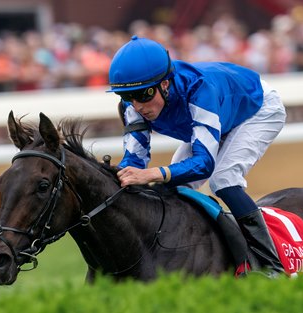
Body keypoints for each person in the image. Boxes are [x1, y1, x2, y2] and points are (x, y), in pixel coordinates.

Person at [108, 35, 287, 276]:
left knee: (223, 180)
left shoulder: (198, 89)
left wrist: (154, 174)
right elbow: (134, 162)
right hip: (222, 112)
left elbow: (204, 164)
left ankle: (271, 265)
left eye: (144, 95)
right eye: (128, 97)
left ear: (165, 84)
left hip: (257, 108)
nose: (137, 106)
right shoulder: (133, 106)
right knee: (176, 187)